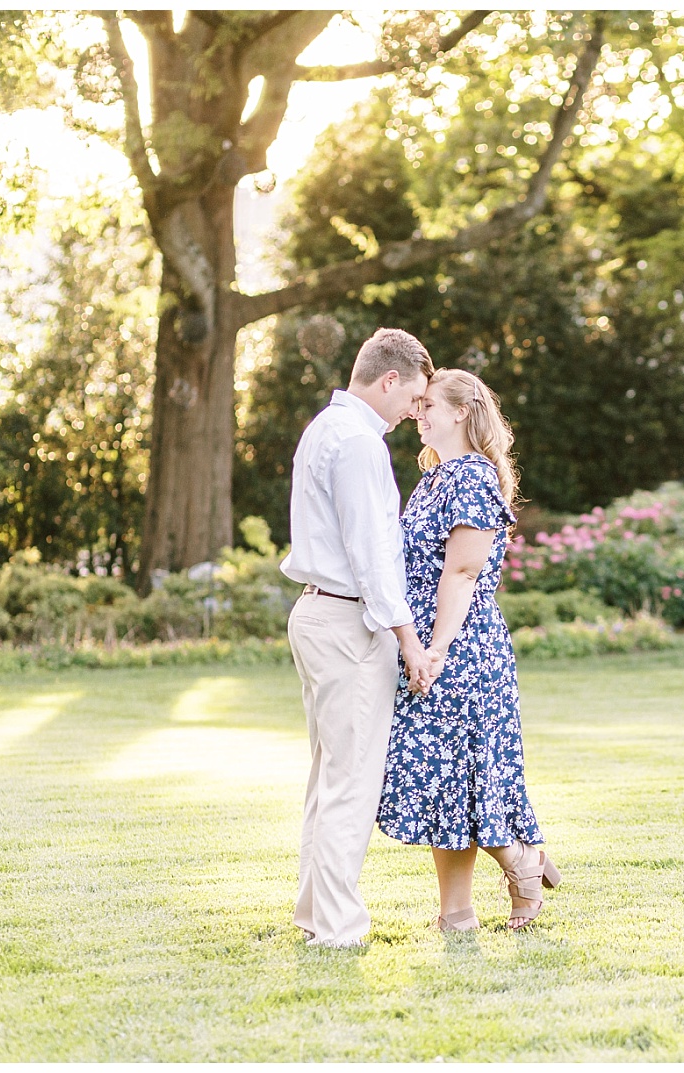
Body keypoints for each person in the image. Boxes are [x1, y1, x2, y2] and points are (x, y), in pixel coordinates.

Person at [376, 368, 562, 932]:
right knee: (444, 779)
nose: (417, 413)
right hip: (430, 645)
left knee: (465, 775)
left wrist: (432, 650)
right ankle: (457, 912)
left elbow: (460, 572)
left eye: (428, 404)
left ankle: (523, 867)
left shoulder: (473, 477)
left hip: (461, 648)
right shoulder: (434, 477)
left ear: (461, 411)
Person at [281, 328, 438, 948]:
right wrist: (409, 641)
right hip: (347, 623)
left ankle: (316, 914)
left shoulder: (326, 427)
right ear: (389, 380)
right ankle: (339, 929)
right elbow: (373, 554)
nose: (414, 411)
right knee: (350, 779)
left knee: (329, 775)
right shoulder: (358, 444)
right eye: (414, 396)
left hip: (320, 616)